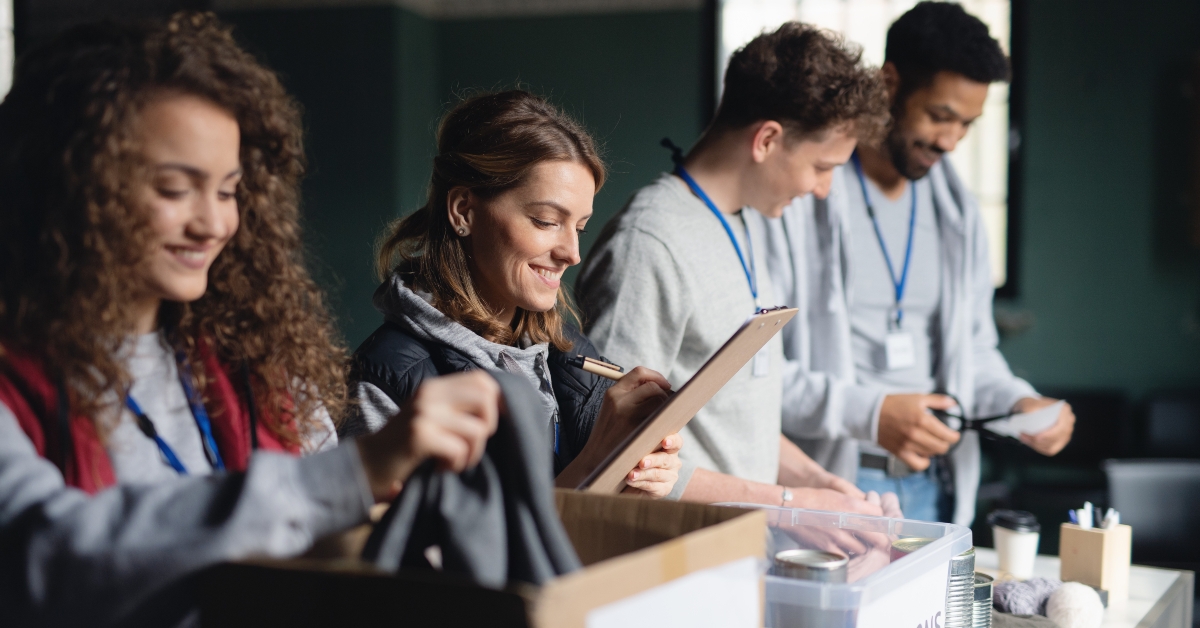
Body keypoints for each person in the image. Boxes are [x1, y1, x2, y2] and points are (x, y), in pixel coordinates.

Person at [0, 14, 506, 626]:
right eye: (173, 189)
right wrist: (352, 473)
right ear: (72, 187)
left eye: (226, 190)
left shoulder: (256, 356)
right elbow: (47, 560)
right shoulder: (14, 377)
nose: (213, 224)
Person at [748, 2, 1075, 524]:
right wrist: (871, 413)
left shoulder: (959, 213)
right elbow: (756, 371)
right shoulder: (801, 193)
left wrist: (1019, 403)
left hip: (935, 487)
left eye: (966, 124)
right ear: (890, 82)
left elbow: (975, 350)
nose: (949, 140)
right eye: (939, 116)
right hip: (831, 484)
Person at [576, 23, 895, 513]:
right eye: (822, 167)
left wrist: (815, 481)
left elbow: (732, 411)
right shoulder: (648, 242)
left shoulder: (745, 222)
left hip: (736, 549)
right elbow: (621, 455)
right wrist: (790, 503)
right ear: (767, 139)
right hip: (674, 558)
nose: (824, 189)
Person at [344, 90, 683, 499]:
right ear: (464, 211)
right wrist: (596, 464)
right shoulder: (383, 382)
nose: (572, 254)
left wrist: (635, 482)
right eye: (545, 221)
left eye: (579, 227)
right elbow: (427, 559)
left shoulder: (569, 352)